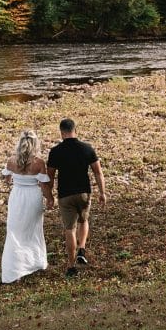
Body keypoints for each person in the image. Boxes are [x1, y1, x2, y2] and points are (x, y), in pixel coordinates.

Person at [46, 117, 106, 277]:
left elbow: (49, 176)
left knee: (69, 229)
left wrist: (49, 196)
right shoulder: (87, 148)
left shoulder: (55, 151)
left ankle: (71, 266)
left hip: (65, 195)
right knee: (83, 221)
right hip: (84, 193)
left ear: (61, 132)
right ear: (75, 130)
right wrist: (102, 192)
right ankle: (82, 249)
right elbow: (98, 172)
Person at [0, 129, 52, 284]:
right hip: (32, 197)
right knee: (32, 230)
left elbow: (7, 180)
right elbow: (43, 185)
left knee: (14, 231)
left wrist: (17, 178)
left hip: (17, 197)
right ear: (35, 144)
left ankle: (15, 270)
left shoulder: (11, 161)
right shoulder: (38, 163)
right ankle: (34, 262)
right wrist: (50, 198)